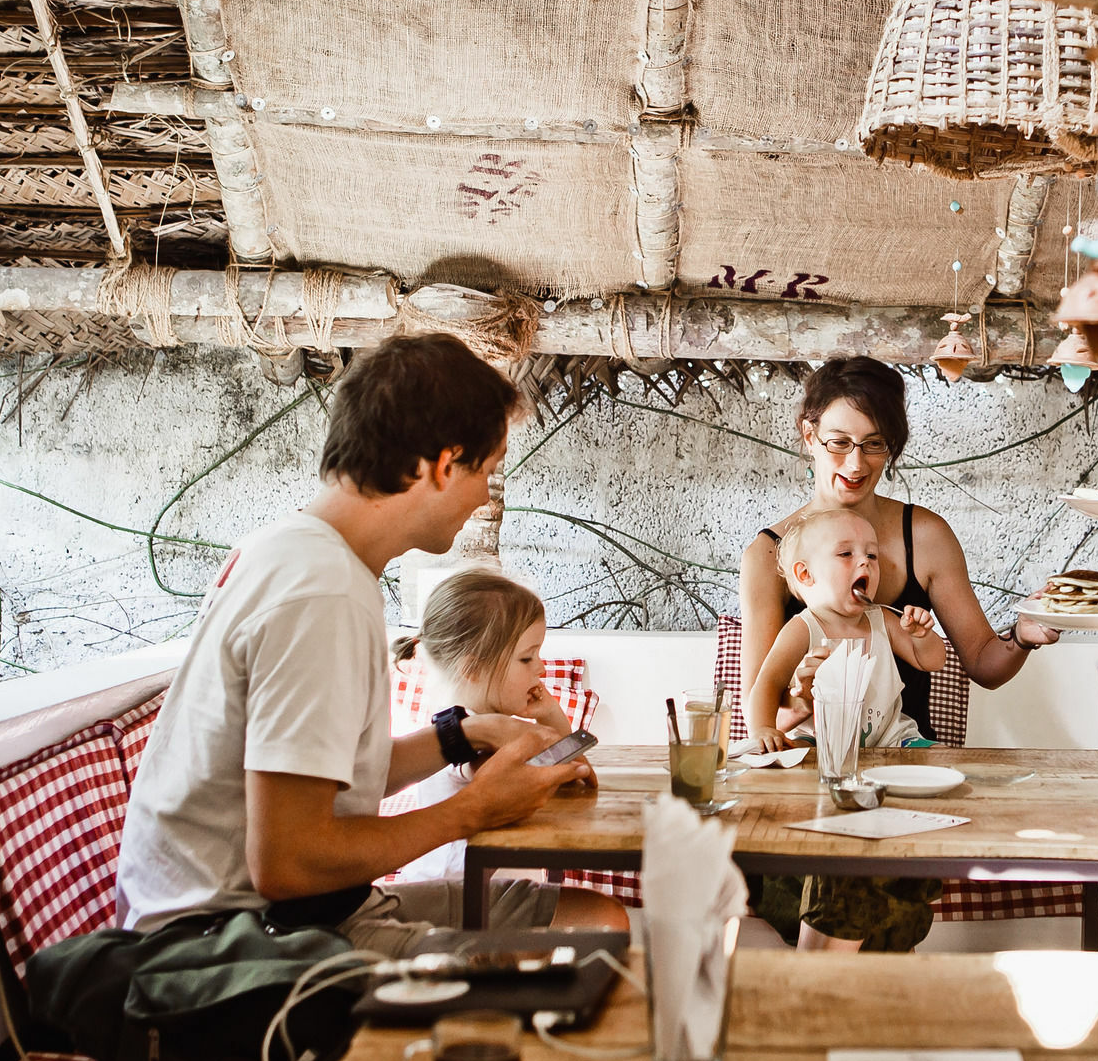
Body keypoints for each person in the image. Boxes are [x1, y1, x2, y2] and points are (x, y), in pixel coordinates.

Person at [116, 333, 625, 954]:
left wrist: (462, 735)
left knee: (594, 917)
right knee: (589, 950)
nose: (482, 498)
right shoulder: (321, 593)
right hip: (239, 946)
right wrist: (472, 811)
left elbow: (325, 782)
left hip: (300, 914)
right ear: (443, 464)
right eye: (486, 473)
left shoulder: (295, 552)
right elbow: (288, 861)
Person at [738, 357, 1060, 952]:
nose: (855, 464)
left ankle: (827, 1014)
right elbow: (764, 718)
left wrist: (1024, 634)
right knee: (855, 905)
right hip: (810, 791)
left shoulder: (925, 537)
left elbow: (984, 664)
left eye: (875, 445)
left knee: (875, 920)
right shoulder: (770, 555)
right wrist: (798, 700)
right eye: (837, 443)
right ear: (807, 435)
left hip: (908, 781)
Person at [385, 569, 575, 883]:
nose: (541, 668)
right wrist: (556, 740)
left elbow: (563, 767)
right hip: (456, 898)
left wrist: (550, 715)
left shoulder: (482, 724)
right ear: (473, 669)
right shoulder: (468, 738)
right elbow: (539, 777)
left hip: (489, 890)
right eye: (527, 659)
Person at [745, 508, 944, 755]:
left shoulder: (881, 619)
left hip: (891, 739)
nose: (864, 562)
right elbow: (768, 683)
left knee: (940, 755)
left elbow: (931, 661)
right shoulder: (803, 628)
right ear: (805, 574)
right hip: (820, 739)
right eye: (845, 553)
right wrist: (762, 729)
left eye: (872, 555)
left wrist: (921, 637)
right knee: (795, 754)